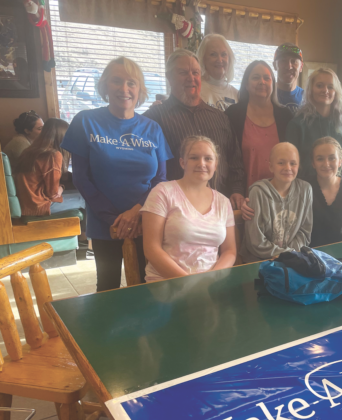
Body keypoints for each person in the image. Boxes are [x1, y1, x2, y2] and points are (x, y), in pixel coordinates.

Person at [61, 56, 172, 292]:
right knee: (108, 287)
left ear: (140, 89)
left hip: (146, 220)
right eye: (116, 81)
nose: (124, 88)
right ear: (105, 85)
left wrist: (136, 213)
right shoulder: (85, 121)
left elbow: (160, 180)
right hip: (106, 223)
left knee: (147, 285)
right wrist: (114, 219)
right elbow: (81, 177)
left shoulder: (152, 128)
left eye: (131, 83)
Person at [144, 49, 246, 208]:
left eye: (195, 73)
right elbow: (145, 168)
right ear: (169, 77)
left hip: (220, 209)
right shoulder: (154, 119)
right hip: (176, 211)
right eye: (183, 72)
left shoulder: (220, 118)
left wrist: (237, 190)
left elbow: (234, 160)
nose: (190, 78)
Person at [141, 136, 236, 281]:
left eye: (208, 159)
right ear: (182, 162)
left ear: (216, 165)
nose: (201, 163)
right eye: (194, 158)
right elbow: (151, 249)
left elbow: (229, 251)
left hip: (211, 285)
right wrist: (188, 284)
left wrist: (213, 279)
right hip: (168, 283)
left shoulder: (224, 202)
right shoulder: (162, 192)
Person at [286, 67, 342, 218]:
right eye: (319, 85)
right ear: (311, 90)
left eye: (330, 86)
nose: (325, 90)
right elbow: (289, 165)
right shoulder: (297, 125)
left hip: (340, 197)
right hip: (306, 198)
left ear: (336, 92)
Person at [225, 60, 293, 196]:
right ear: (246, 84)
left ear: (273, 84)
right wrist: (235, 191)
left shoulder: (286, 116)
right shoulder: (233, 115)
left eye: (267, 78)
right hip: (244, 198)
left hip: (280, 197)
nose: (262, 82)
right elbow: (228, 159)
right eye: (256, 77)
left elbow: (293, 158)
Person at [241, 142, 312, 263]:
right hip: (259, 261)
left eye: (293, 163)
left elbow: (305, 232)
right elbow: (255, 241)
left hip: (293, 257)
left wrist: (290, 254)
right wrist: (284, 254)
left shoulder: (306, 190)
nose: (288, 168)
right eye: (281, 163)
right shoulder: (258, 192)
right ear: (271, 166)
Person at [15, 118, 85, 216]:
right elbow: (53, 193)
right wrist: (61, 188)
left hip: (27, 204)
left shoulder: (30, 150)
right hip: (40, 206)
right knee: (87, 199)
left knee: (82, 193)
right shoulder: (52, 155)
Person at [309, 137, 342, 247]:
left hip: (341, 254)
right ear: (313, 163)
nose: (326, 164)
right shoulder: (303, 187)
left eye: (332, 158)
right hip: (308, 254)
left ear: (340, 162)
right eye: (320, 159)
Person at [197, 34, 239, 111]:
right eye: (213, 54)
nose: (220, 60)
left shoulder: (237, 95)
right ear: (203, 59)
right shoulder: (196, 90)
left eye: (224, 54)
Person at [273, 43, 304, 112]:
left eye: (294, 61)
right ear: (274, 65)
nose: (288, 67)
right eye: (283, 61)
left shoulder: (307, 99)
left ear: (301, 67)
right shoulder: (266, 94)